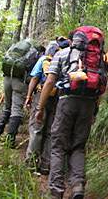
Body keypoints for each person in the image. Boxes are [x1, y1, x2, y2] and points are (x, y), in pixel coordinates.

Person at [36, 26, 106, 199]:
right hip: (89, 103)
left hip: (66, 100)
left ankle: (56, 191)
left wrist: (40, 108)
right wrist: (94, 110)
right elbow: (102, 85)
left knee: (58, 146)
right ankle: (77, 187)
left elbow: (50, 81)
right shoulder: (98, 58)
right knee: (79, 147)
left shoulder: (62, 54)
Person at [24, 38, 69, 174]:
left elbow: (34, 78)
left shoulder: (44, 59)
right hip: (58, 98)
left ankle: (31, 165)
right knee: (50, 131)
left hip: (41, 94)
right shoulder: (66, 59)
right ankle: (45, 166)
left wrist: (28, 96)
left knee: (36, 129)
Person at [0, 39, 44, 148]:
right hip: (20, 82)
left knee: (7, 107)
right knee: (16, 110)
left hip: (7, 79)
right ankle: (10, 140)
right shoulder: (37, 55)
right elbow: (34, 75)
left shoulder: (18, 52)